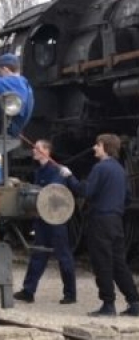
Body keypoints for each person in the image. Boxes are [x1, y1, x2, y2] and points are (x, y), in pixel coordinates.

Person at [61, 133, 139, 317]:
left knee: (102, 263)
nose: (94, 148)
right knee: (119, 263)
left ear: (105, 147)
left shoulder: (100, 168)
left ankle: (108, 305)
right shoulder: (120, 170)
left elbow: (85, 191)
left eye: (97, 145)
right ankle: (134, 302)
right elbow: (127, 197)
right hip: (116, 221)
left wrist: (69, 177)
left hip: (100, 221)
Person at [13, 139, 76, 305]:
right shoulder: (39, 171)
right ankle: (28, 291)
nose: (34, 150)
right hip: (42, 218)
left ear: (47, 151)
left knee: (63, 256)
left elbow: (52, 192)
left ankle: (70, 294)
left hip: (55, 220)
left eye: (37, 148)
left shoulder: (56, 171)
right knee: (38, 255)